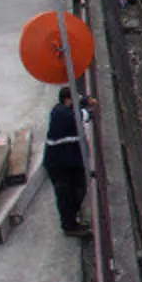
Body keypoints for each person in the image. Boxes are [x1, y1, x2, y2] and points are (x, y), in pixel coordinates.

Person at [43, 87, 94, 238]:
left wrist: (85, 100)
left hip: (69, 161)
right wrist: (90, 109)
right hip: (59, 164)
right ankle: (69, 226)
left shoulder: (63, 109)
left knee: (78, 189)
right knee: (66, 195)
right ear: (67, 100)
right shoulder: (61, 114)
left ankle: (73, 220)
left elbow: (79, 105)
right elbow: (82, 116)